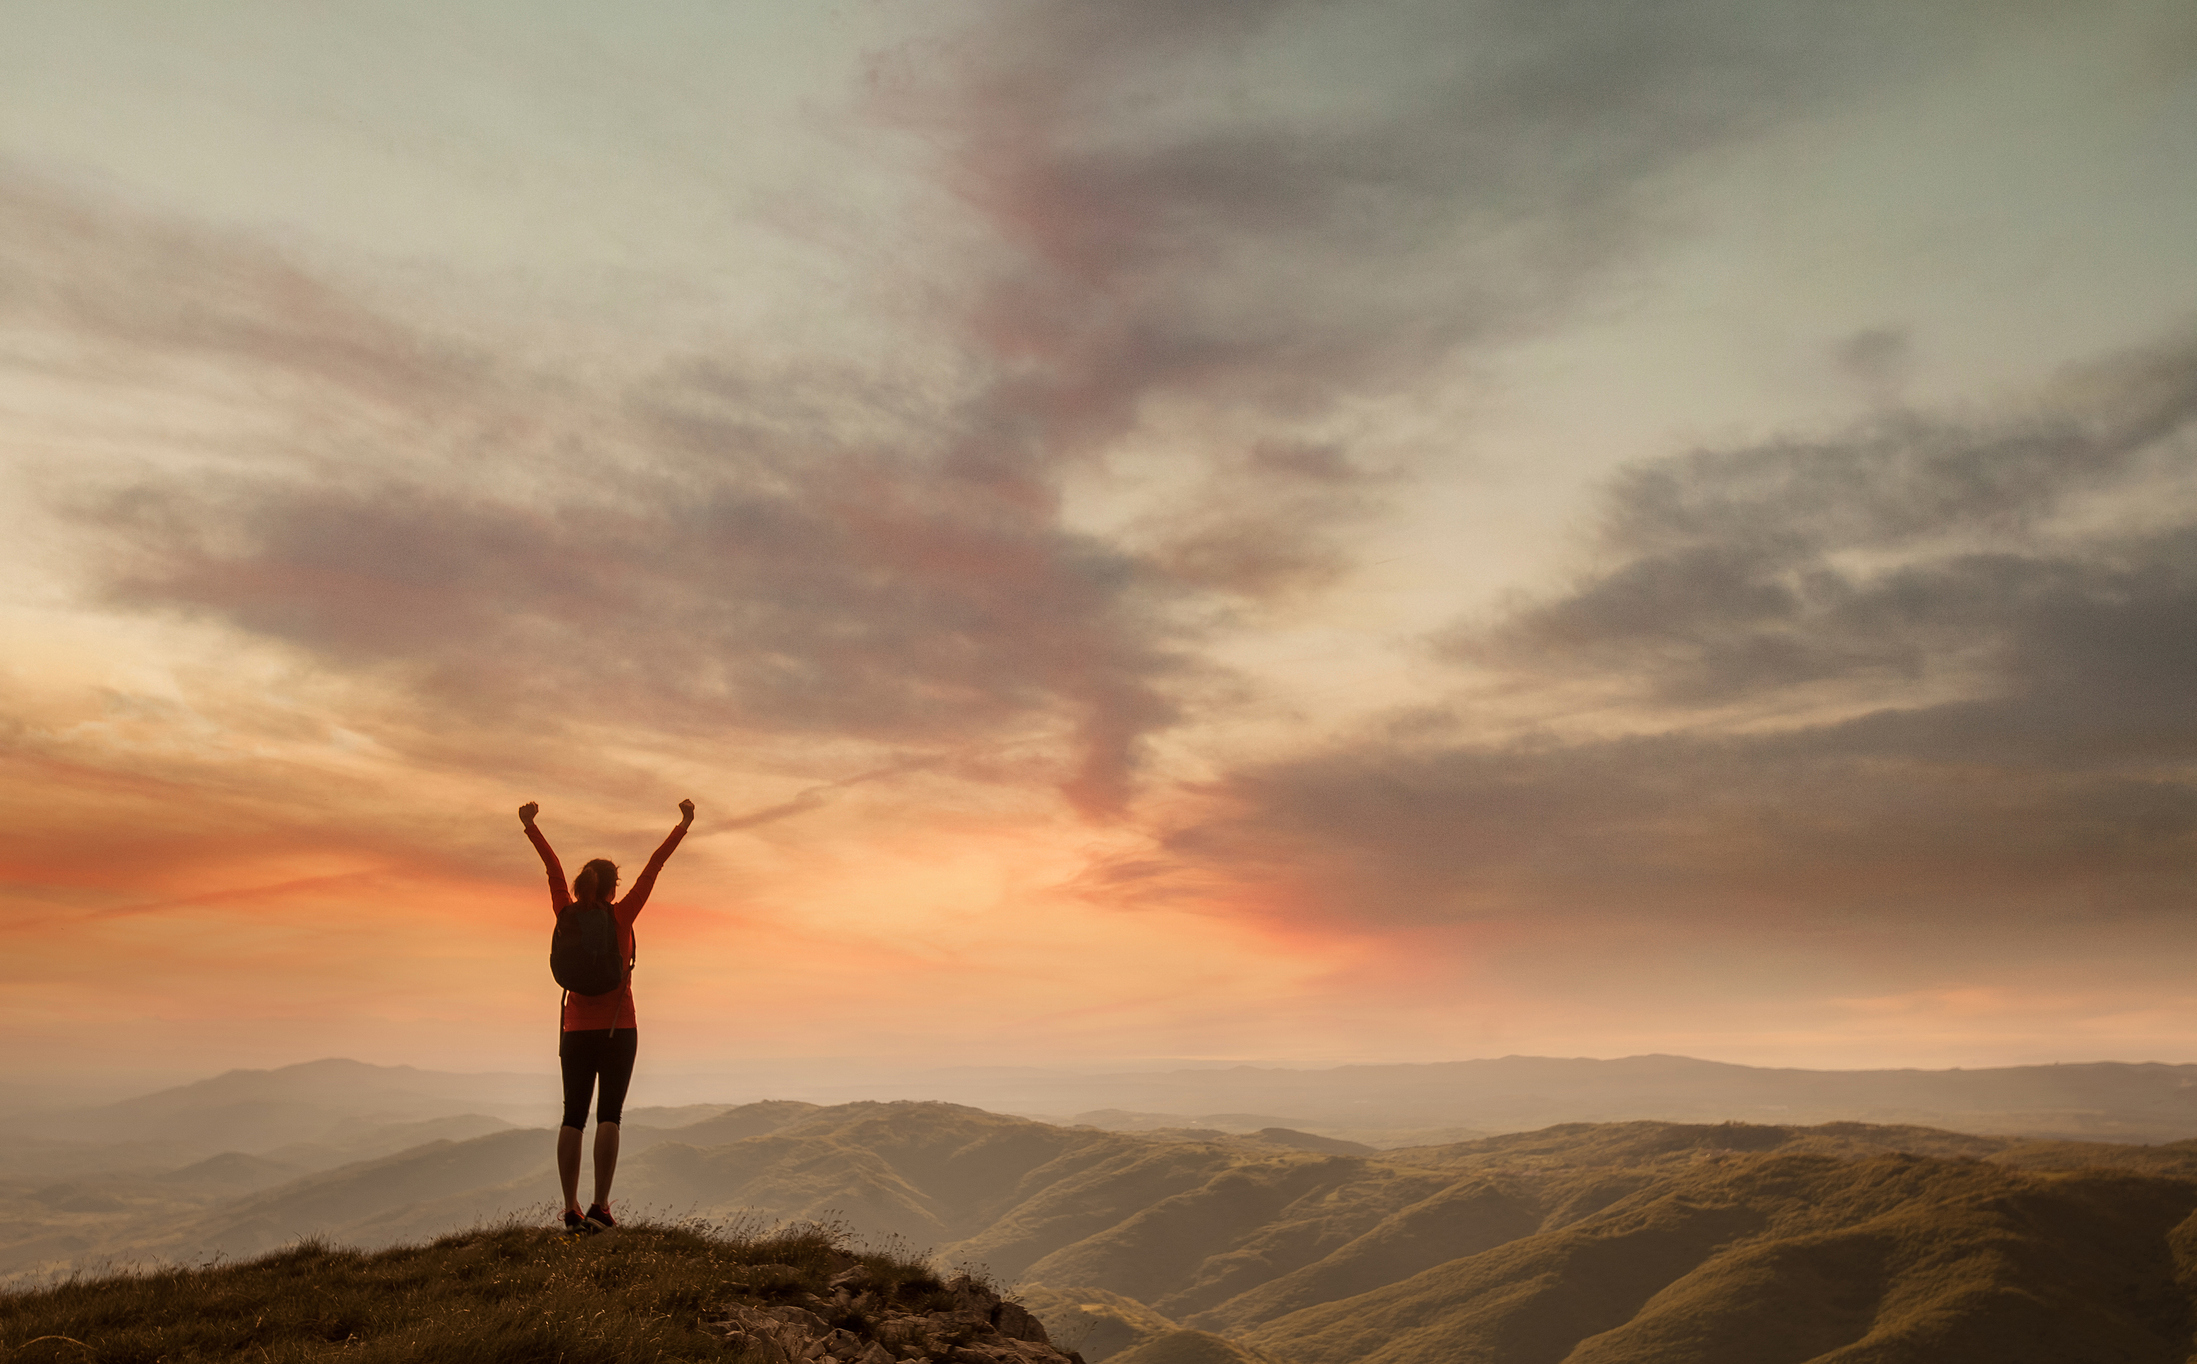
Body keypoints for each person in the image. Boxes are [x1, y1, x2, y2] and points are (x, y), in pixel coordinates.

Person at [519, 796, 694, 1234]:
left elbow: (552, 868)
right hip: (621, 1027)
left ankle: (570, 1209)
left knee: (572, 1116)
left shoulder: (566, 912)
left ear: (581, 887)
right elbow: (655, 866)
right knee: (610, 1115)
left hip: (575, 1029)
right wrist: (684, 823)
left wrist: (531, 826)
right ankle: (600, 1207)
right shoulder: (623, 915)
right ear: (613, 888)